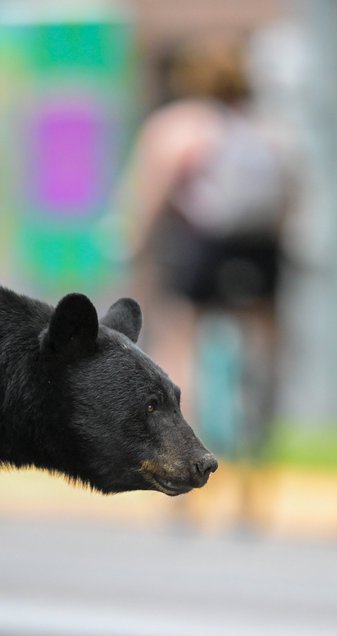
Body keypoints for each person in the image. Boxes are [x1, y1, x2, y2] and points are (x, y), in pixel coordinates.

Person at [121, 32, 293, 462]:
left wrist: (131, 245)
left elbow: (148, 198)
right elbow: (292, 197)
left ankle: (180, 450)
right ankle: (258, 440)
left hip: (204, 247)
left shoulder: (179, 125)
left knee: (182, 342)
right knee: (264, 343)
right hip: (259, 250)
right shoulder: (270, 129)